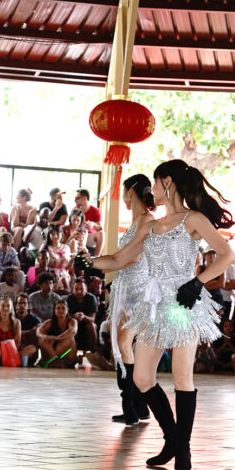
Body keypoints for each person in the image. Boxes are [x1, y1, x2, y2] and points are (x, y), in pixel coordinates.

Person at [89, 159, 235, 470]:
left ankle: (183, 453)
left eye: (154, 183)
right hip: (155, 308)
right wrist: (89, 262)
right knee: (142, 378)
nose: (150, 190)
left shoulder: (193, 220)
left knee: (183, 378)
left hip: (184, 306)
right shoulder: (153, 227)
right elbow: (117, 259)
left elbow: (226, 255)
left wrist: (198, 281)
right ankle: (174, 440)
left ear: (167, 183)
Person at [100, 175, 156, 425]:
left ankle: (133, 406)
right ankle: (136, 407)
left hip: (137, 290)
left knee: (123, 344)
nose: (122, 197)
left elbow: (133, 256)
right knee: (123, 344)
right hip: (125, 286)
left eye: (124, 192)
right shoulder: (137, 220)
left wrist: (102, 262)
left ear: (131, 192)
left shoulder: (147, 220)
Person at [35, 299, 77, 367]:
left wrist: (57, 338)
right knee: (42, 339)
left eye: (63, 308)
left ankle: (53, 360)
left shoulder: (72, 321)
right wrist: (45, 337)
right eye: (58, 308)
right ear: (54, 311)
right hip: (52, 351)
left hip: (66, 353)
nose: (60, 310)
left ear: (67, 310)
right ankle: (56, 359)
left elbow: (73, 331)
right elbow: (38, 331)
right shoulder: (50, 322)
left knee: (70, 338)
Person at [67, 278, 98, 354]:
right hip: (73, 322)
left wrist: (83, 317)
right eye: (76, 289)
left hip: (87, 322)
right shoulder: (69, 298)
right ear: (72, 289)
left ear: (86, 289)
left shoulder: (91, 298)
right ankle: (70, 354)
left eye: (81, 289)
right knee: (71, 326)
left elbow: (92, 319)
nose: (79, 291)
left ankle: (93, 353)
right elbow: (66, 316)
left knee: (91, 326)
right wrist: (74, 316)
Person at [0, 294, 21, 361]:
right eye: (3, 306)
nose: (5, 308)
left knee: (32, 348)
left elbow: (17, 342)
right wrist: (3, 354)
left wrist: (10, 353)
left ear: (11, 308)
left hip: (12, 351)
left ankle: (11, 358)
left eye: (8, 306)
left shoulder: (17, 322)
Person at [14, 293, 41, 365]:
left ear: (28, 306)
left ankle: (14, 359)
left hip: (28, 349)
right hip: (14, 347)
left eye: (24, 303)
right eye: (20, 303)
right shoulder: (11, 318)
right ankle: (17, 359)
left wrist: (19, 333)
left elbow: (39, 330)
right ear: (16, 306)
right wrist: (29, 332)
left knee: (32, 348)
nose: (22, 305)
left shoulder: (34, 320)